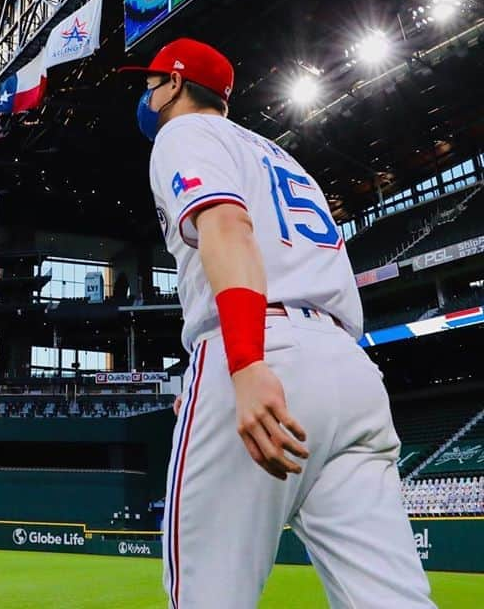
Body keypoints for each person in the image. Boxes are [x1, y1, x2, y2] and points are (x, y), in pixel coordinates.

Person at [119, 37, 434, 609]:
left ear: (174, 85)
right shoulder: (282, 158)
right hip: (350, 371)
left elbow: (227, 228)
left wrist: (243, 363)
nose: (146, 94)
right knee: (391, 600)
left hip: (263, 346)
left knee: (210, 596)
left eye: (150, 83)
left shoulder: (183, 133)